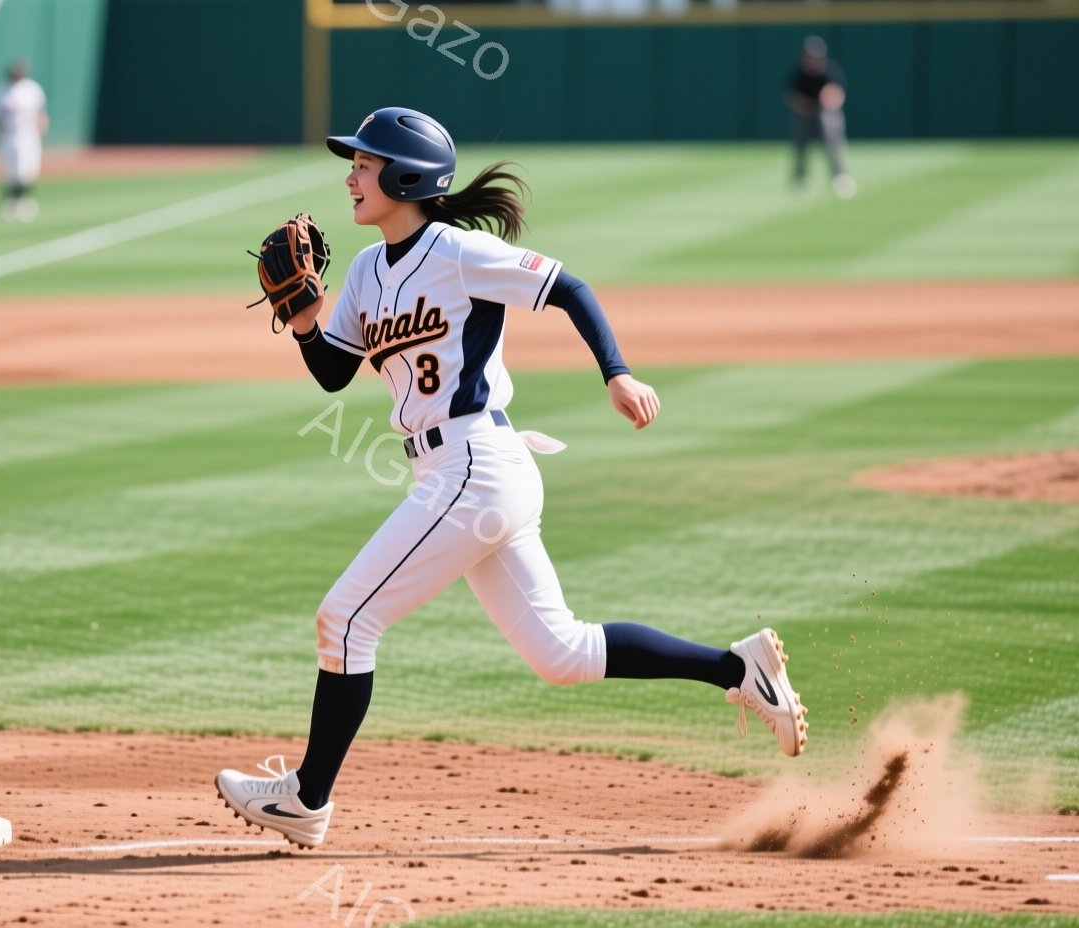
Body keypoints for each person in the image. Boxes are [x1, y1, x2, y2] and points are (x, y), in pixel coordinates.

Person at [215, 107, 808, 850]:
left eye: (365, 164)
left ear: (405, 176)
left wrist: (616, 375)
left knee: (345, 620)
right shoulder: (367, 271)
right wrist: (303, 316)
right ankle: (736, 667)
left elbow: (570, 288)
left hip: (476, 467)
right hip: (459, 475)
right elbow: (334, 372)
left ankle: (307, 797)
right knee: (563, 654)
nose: (351, 176)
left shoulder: (459, 253)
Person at [785, 36, 855, 200]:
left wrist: (826, 101)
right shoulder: (799, 73)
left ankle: (840, 177)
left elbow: (837, 95)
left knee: (833, 144)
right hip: (805, 113)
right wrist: (804, 105)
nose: (813, 59)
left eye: (816, 56)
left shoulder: (829, 70)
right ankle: (800, 178)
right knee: (800, 145)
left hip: (827, 112)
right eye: (810, 56)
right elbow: (791, 96)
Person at [0, 60, 48, 222]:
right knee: (10, 171)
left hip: (28, 135)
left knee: (27, 170)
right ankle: (10, 201)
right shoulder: (1, 91)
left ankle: (25, 200)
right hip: (9, 135)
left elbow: (40, 112)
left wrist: (41, 127)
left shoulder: (32, 89)